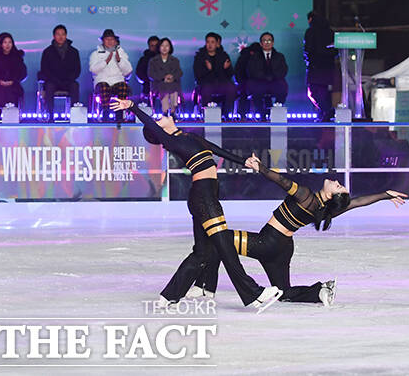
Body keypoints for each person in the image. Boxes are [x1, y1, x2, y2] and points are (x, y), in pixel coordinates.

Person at [109, 97, 283, 312]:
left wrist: (244, 161)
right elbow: (151, 125)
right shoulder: (170, 141)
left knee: (202, 253)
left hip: (208, 194)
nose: (160, 117)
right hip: (203, 197)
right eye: (157, 122)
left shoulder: (188, 136)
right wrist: (133, 107)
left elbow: (214, 149)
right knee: (224, 246)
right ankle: (253, 293)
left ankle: (171, 294)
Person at [190, 153, 407, 306]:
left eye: (338, 186)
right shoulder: (325, 211)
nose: (336, 182)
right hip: (283, 249)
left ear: (332, 195)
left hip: (266, 243)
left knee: (217, 239)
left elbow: (282, 181)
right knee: (283, 293)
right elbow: (358, 202)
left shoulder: (305, 195)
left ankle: (206, 287)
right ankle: (319, 291)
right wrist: (385, 195)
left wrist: (261, 168)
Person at [89, 29, 133, 122]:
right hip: (102, 81)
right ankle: (105, 112)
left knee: (123, 86)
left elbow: (128, 71)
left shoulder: (121, 53)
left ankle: (120, 113)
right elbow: (93, 70)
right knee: (104, 86)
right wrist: (105, 61)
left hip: (117, 81)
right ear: (103, 41)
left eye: (111, 39)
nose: (109, 41)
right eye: (107, 39)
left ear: (115, 41)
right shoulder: (96, 54)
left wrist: (119, 60)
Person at [39, 24, 81, 121]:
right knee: (49, 86)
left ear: (66, 36)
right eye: (58, 34)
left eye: (63, 34)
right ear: (54, 36)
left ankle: (75, 116)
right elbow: (44, 70)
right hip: (53, 81)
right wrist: (55, 80)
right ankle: (50, 115)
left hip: (68, 81)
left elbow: (77, 70)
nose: (61, 37)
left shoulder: (74, 51)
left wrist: (68, 79)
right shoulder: (47, 51)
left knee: (75, 85)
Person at [245, 32, 288, 120]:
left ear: (273, 43)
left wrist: (273, 77)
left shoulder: (279, 56)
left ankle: (276, 111)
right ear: (261, 43)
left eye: (269, 41)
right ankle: (262, 114)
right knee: (255, 88)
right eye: (264, 41)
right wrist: (264, 77)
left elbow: (283, 70)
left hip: (275, 81)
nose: (267, 43)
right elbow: (251, 71)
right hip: (259, 82)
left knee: (283, 86)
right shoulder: (254, 57)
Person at [193, 32, 236, 118]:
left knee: (231, 88)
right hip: (206, 83)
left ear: (217, 44)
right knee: (207, 89)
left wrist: (226, 68)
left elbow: (230, 74)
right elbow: (198, 74)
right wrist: (208, 69)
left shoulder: (223, 55)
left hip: (221, 82)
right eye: (208, 42)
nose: (210, 44)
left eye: (212, 42)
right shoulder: (200, 56)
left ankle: (225, 115)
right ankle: (208, 115)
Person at [305, 11, 338, 122]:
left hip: (315, 66)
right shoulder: (330, 32)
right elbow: (335, 49)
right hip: (328, 66)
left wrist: (308, 60)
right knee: (324, 92)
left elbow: (308, 49)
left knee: (313, 92)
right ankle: (325, 114)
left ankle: (326, 111)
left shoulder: (311, 31)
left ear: (310, 19)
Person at [148, 37, 182, 116]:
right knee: (165, 88)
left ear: (170, 48)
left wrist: (172, 77)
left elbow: (179, 72)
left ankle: (173, 111)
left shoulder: (175, 60)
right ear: (159, 47)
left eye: (167, 46)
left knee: (173, 88)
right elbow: (150, 74)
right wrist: (163, 78)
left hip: (172, 84)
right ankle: (166, 112)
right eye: (162, 46)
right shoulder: (153, 61)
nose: (164, 48)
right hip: (158, 84)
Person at [234, 42, 262, 119]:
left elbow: (237, 71)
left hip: (243, 82)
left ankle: (242, 115)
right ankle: (263, 114)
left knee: (244, 94)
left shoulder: (243, 56)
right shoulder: (255, 57)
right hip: (248, 82)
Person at [135, 35, 159, 105]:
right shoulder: (144, 60)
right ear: (149, 46)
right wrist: (149, 80)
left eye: (156, 45)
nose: (154, 48)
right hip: (149, 84)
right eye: (152, 45)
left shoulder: (165, 58)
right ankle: (150, 109)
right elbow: (139, 74)